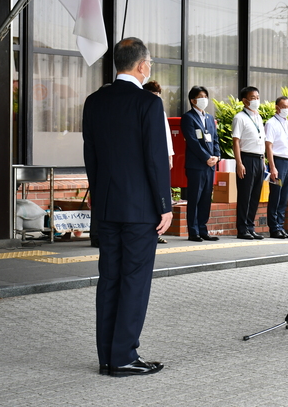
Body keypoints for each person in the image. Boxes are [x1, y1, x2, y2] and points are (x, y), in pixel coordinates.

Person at [83, 37, 171, 376]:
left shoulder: (94, 101)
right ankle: (123, 357)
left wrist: (100, 197)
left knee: (109, 279)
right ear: (142, 65)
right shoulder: (147, 103)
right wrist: (165, 205)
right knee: (134, 281)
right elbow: (155, 160)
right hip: (140, 211)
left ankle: (107, 355)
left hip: (106, 206)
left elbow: (91, 157)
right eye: (149, 62)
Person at [181, 86, 221, 242]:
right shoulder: (188, 118)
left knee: (205, 198)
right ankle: (193, 231)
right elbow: (192, 142)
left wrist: (216, 156)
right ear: (192, 100)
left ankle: (203, 229)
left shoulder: (210, 118)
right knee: (195, 198)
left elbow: (215, 139)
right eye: (200, 96)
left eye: (205, 96)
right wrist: (206, 157)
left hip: (210, 165)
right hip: (196, 165)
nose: (204, 99)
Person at [232, 87, 266, 240]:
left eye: (257, 97)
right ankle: (242, 228)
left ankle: (251, 226)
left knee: (255, 195)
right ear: (244, 101)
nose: (256, 100)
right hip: (247, 158)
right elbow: (236, 142)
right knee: (245, 194)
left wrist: (264, 160)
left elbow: (261, 140)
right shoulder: (240, 117)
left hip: (259, 159)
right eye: (253, 97)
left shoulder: (258, 117)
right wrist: (239, 163)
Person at [143, 80, 174, 245]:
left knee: (162, 195)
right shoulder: (144, 109)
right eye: (154, 95)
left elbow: (167, 136)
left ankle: (159, 231)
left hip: (163, 158)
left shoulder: (159, 111)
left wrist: (170, 155)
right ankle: (154, 231)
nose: (156, 99)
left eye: (158, 96)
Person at [265, 96, 288, 239]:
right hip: (278, 162)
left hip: (287, 162)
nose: (286, 109)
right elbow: (268, 146)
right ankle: (274, 227)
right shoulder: (271, 123)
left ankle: (281, 226)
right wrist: (272, 166)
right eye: (284, 106)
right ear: (277, 107)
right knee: (276, 194)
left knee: (284, 196)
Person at [142, 81, 174, 171]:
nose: (156, 97)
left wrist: (170, 156)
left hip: (159, 154)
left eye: (158, 94)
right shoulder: (139, 111)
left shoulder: (161, 113)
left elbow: (167, 134)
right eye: (153, 94)